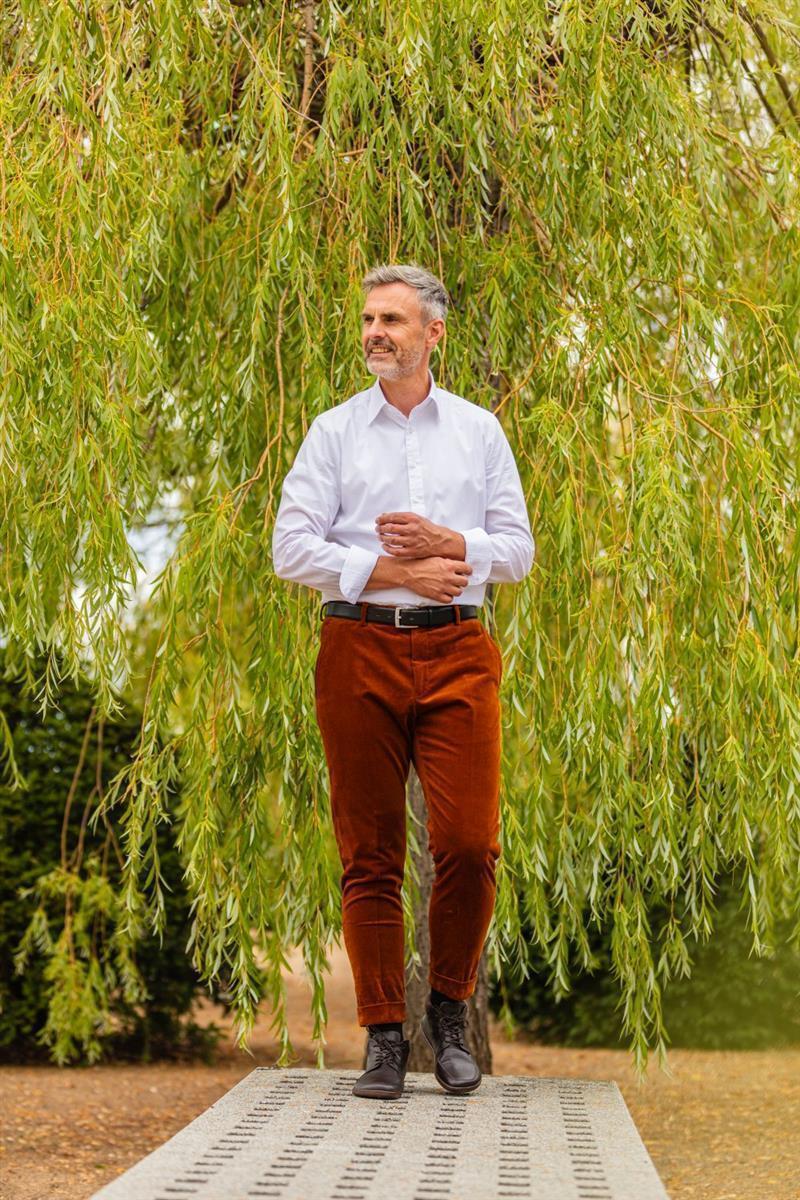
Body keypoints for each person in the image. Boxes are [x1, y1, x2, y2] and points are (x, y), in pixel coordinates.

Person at [271, 263, 534, 1100]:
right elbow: (290, 548)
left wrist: (448, 544)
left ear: (433, 333)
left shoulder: (479, 432)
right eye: (368, 320)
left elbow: (517, 551)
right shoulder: (333, 433)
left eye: (391, 320)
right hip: (358, 647)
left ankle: (449, 1015)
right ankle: (385, 1035)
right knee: (371, 852)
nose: (375, 333)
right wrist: (391, 568)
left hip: (459, 648)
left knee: (469, 844)